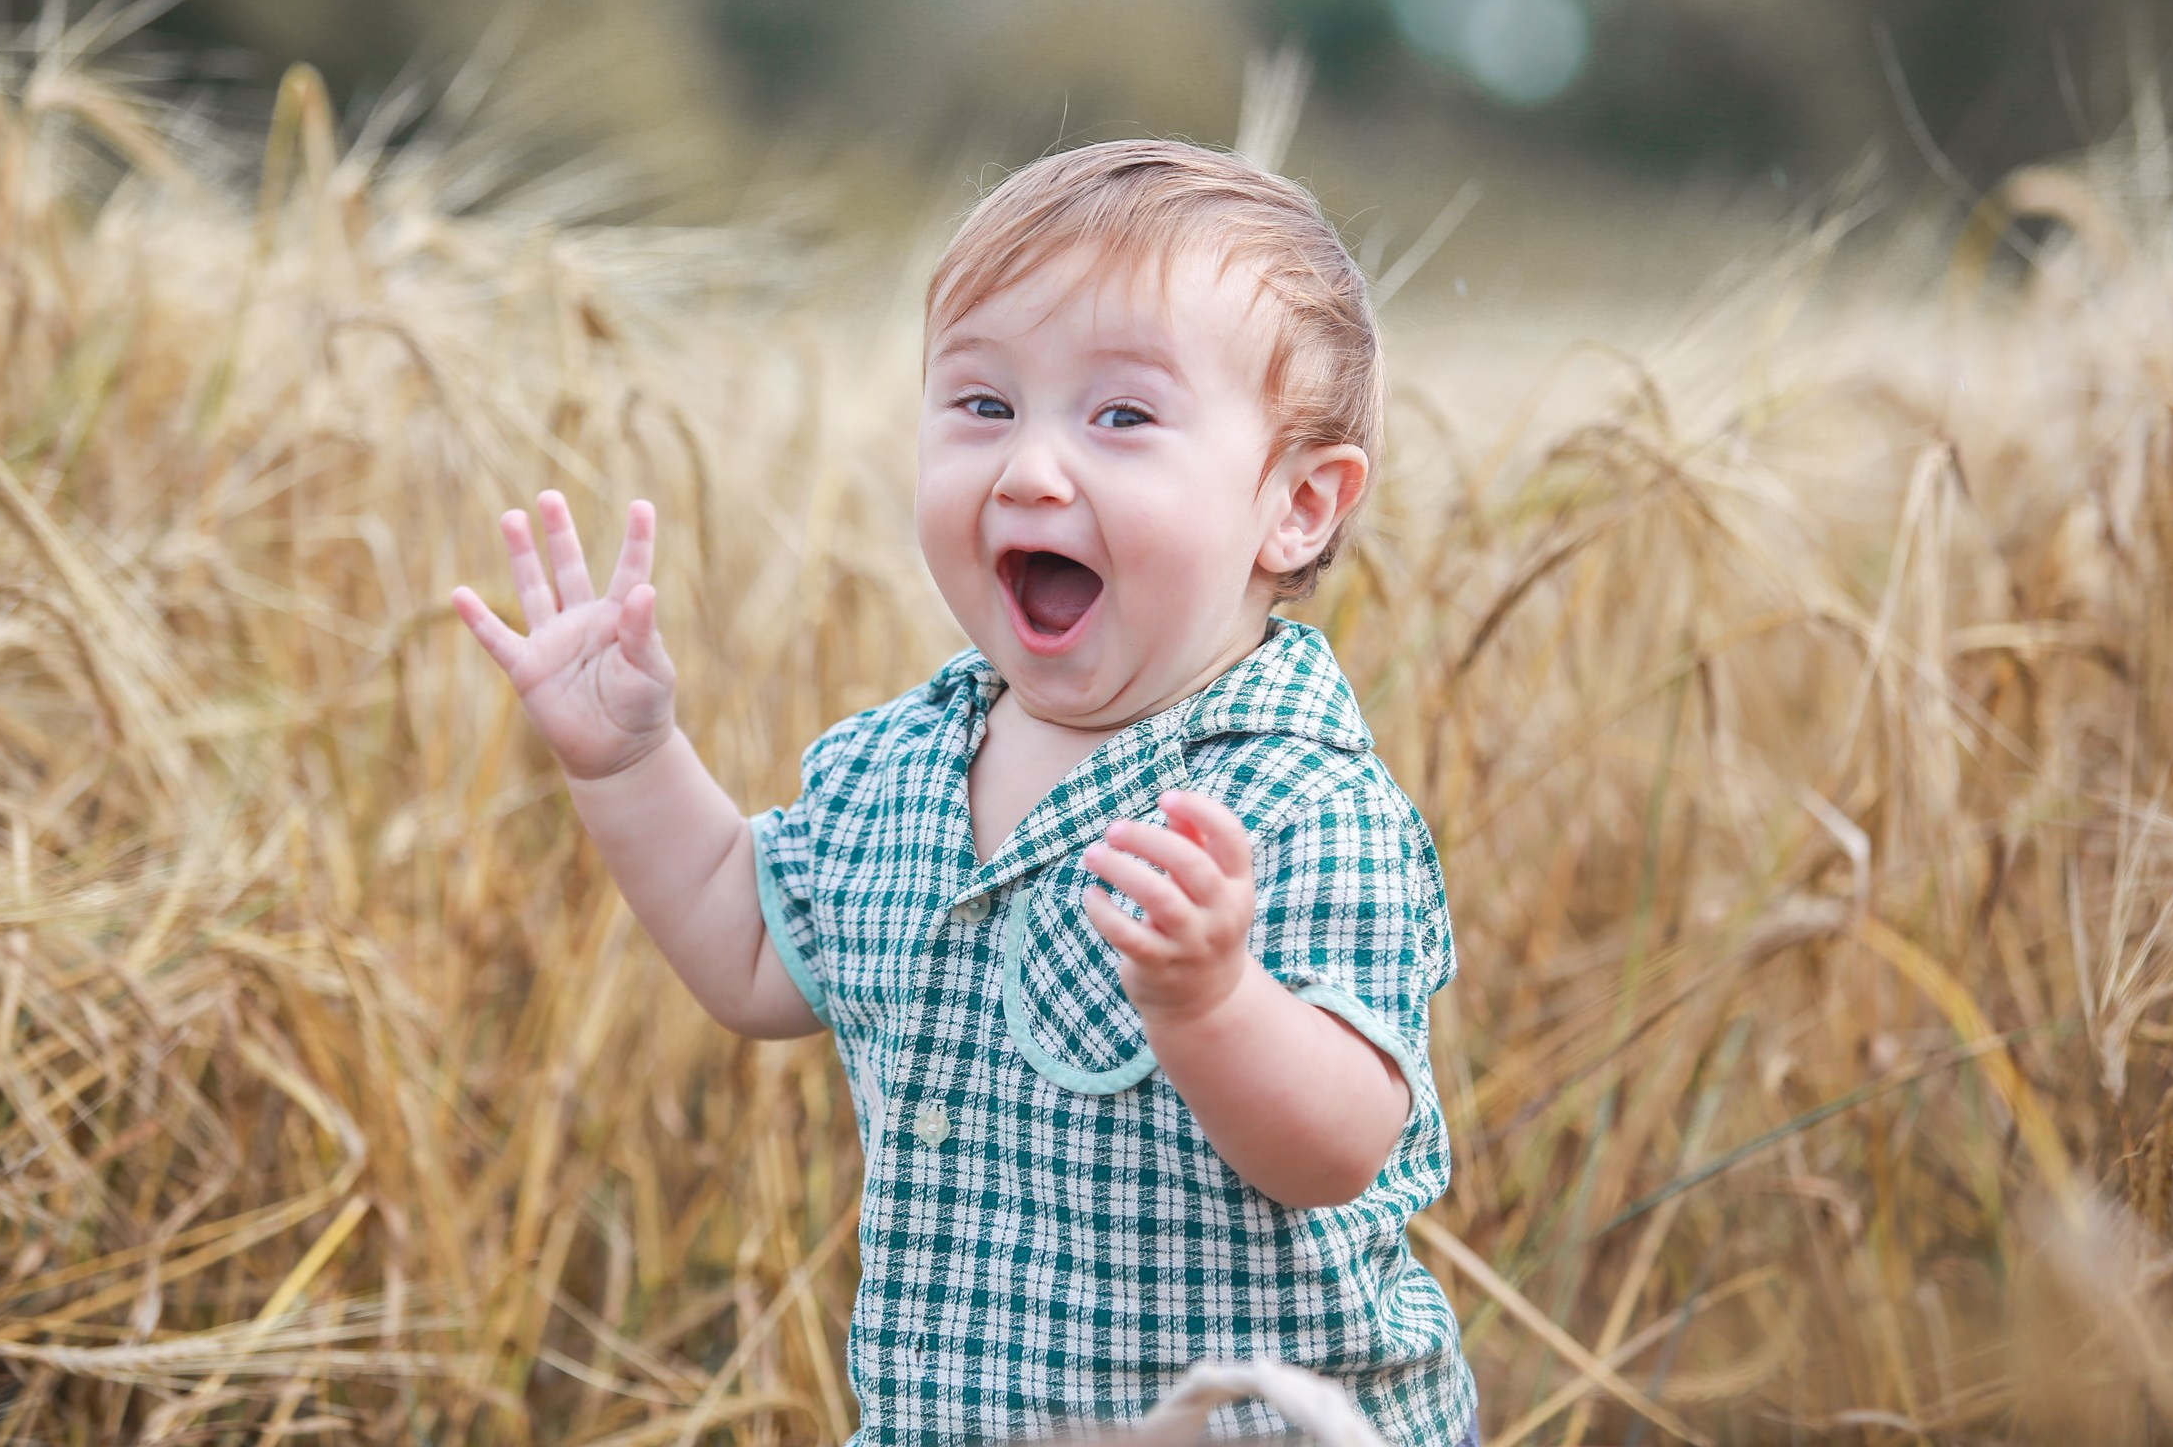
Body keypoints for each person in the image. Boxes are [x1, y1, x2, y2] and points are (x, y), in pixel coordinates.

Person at [451, 139, 1480, 1447]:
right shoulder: (899, 764)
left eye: (1122, 417)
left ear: (1296, 505)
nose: (1032, 471)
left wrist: (1214, 1002)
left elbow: (1341, 1145)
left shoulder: (1293, 799)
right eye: (984, 407)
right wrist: (631, 760)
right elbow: (753, 949)